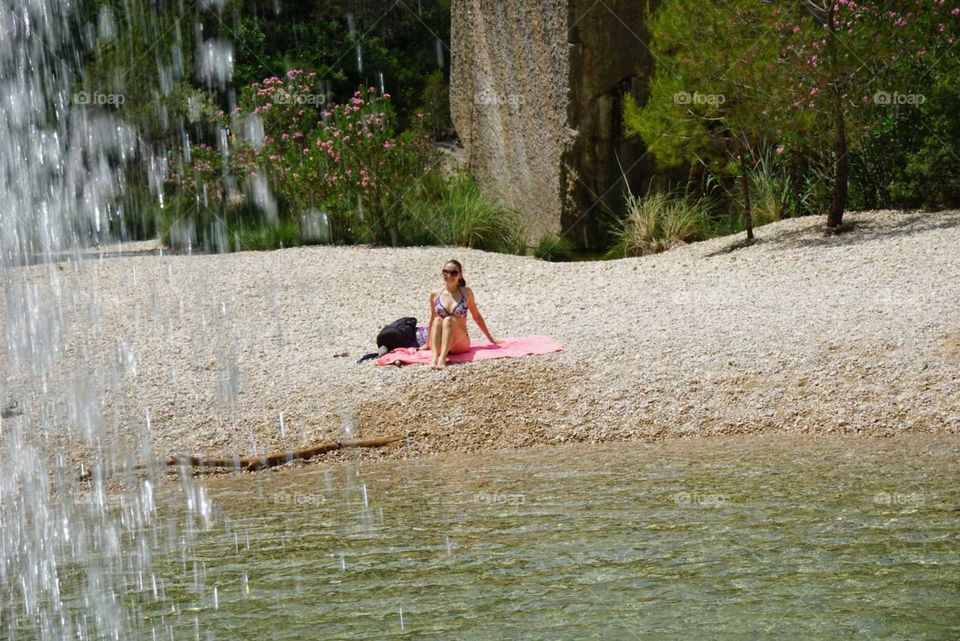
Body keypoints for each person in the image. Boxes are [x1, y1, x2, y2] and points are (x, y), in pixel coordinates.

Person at [423, 259, 502, 369]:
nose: (449, 275)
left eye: (453, 273)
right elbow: (432, 319)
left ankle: (442, 358)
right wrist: (427, 343)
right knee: (437, 320)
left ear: (460, 276)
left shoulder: (466, 292)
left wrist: (491, 339)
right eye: (445, 272)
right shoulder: (435, 294)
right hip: (439, 343)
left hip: (459, 342)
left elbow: (476, 316)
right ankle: (435, 357)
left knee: (449, 320)